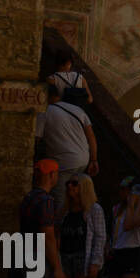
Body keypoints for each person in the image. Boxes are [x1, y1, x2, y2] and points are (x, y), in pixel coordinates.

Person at [34, 82, 98, 218]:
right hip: (83, 160)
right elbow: (91, 136)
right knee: (76, 196)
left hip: (63, 162)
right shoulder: (78, 110)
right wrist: (93, 159)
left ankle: (57, 230)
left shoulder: (44, 112)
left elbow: (36, 139)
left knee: (59, 199)